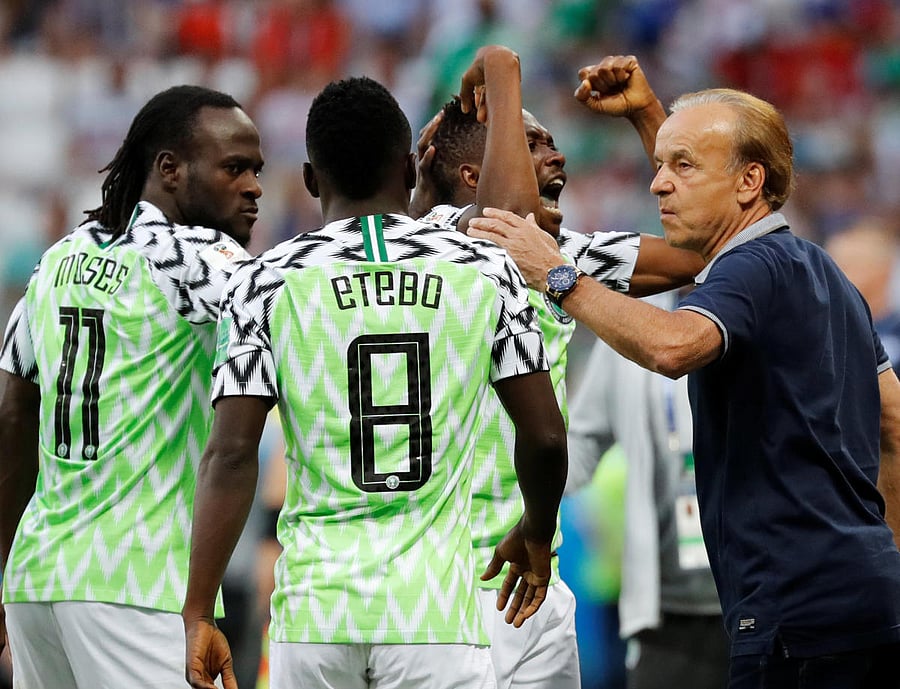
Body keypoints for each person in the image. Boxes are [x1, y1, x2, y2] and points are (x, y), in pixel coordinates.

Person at [469, 73, 900, 688]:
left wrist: (557, 275)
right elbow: (895, 423)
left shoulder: (751, 269)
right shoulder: (821, 272)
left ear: (752, 181)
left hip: (792, 613)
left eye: (682, 166)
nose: (657, 182)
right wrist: (887, 560)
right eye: (661, 162)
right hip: (865, 603)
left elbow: (675, 347)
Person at [181, 73, 568, 689]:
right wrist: (537, 532)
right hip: (434, 612)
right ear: (411, 170)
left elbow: (229, 454)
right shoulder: (484, 269)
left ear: (310, 179)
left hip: (315, 613)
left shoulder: (262, 283)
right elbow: (545, 435)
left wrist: (199, 609)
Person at [410, 54, 704, 689]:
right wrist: (498, 68)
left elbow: (705, 247)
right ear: (472, 173)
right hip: (446, 579)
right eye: (532, 142)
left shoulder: (565, 254)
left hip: (533, 564)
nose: (557, 156)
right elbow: (504, 230)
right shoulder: (433, 243)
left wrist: (650, 117)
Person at [0, 84, 264, 689]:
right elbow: (298, 313)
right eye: (233, 168)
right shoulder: (195, 257)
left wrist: (2, 571)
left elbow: (13, 419)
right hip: (138, 585)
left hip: (37, 578)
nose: (252, 185)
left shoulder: (56, 260)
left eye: (256, 170)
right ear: (169, 169)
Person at [567, 289, 729, 689]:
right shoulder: (634, 317)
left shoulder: (767, 303)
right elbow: (583, 440)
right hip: (664, 606)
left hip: (766, 603)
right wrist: (521, 497)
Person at [824, 215, 900, 375]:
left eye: (847, 266)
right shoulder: (820, 335)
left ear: (883, 271)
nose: (833, 277)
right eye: (828, 268)